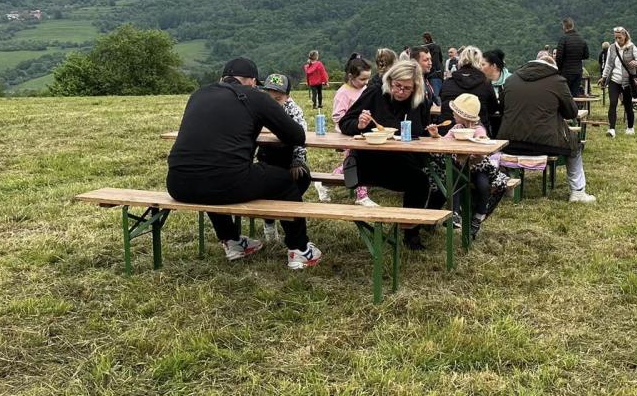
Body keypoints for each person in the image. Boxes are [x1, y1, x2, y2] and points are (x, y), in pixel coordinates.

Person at [166, 58, 321, 269]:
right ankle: (300, 249)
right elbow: (296, 135)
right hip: (227, 182)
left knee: (212, 175)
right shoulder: (254, 96)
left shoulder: (199, 94)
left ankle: (232, 241)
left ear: (222, 78)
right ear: (252, 81)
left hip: (178, 184)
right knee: (286, 181)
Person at [338, 59, 441, 250]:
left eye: (407, 88)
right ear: (390, 80)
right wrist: (359, 124)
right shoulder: (375, 93)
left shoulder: (420, 103)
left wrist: (431, 134)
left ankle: (411, 232)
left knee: (420, 181)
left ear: (415, 87)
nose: (400, 91)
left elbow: (423, 133)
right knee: (419, 180)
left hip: (403, 162)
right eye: (397, 85)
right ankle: (409, 230)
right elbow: (345, 123)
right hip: (371, 161)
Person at [499, 52, 595, 202]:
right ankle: (577, 192)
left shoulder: (511, 80)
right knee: (575, 146)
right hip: (546, 143)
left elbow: (503, 108)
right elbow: (571, 113)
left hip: (510, 142)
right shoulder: (557, 81)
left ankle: (509, 183)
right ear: (553, 67)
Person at [444, 93, 511, 239]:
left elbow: (483, 141)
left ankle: (479, 215)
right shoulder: (456, 128)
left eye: (455, 112)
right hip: (461, 166)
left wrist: (480, 141)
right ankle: (455, 213)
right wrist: (436, 135)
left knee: (483, 185)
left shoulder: (478, 129)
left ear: (464, 116)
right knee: (455, 181)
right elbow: (445, 141)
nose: (452, 114)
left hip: (479, 167)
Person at [255, 73, 312, 242]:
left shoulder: (294, 110)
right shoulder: (258, 109)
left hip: (289, 158)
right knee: (265, 182)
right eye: (269, 98)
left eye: (278, 99)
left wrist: (297, 160)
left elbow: (301, 138)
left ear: (287, 96)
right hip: (267, 157)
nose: (273, 102)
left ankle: (287, 214)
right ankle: (269, 219)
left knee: (302, 177)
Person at [330, 56, 377, 207]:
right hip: (349, 135)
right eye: (362, 79)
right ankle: (362, 196)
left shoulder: (364, 90)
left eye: (368, 79)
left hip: (363, 134)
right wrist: (354, 122)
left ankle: (325, 183)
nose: (366, 82)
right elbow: (337, 116)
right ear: (351, 76)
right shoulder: (343, 93)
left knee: (352, 165)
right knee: (357, 163)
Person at [438, 45, 501, 137]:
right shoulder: (485, 83)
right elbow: (493, 108)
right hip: (477, 134)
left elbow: (443, 103)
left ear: (460, 60)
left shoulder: (448, 82)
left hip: (447, 133)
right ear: (479, 62)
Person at [600, 26, 637, 138]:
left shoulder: (632, 47)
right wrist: (604, 77)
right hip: (614, 80)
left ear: (625, 36)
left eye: (619, 37)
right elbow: (608, 64)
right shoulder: (612, 48)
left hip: (627, 81)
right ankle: (611, 129)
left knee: (628, 105)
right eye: (616, 37)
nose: (617, 40)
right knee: (613, 103)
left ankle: (630, 127)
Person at [554, 18, 590, 98]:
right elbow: (586, 55)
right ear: (573, 26)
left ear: (564, 27)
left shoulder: (563, 39)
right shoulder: (581, 39)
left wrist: (559, 69)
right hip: (578, 71)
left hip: (565, 72)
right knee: (575, 95)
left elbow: (559, 57)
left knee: (564, 95)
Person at [421, 32, 444, 99]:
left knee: (430, 95)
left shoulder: (423, 49)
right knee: (438, 96)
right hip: (438, 73)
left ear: (425, 39)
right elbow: (441, 59)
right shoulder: (437, 47)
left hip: (427, 74)